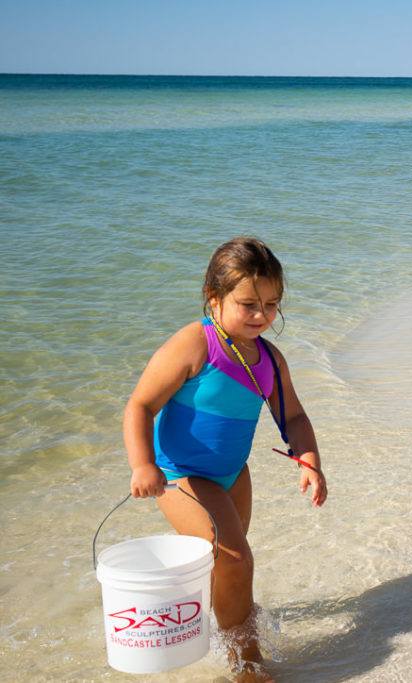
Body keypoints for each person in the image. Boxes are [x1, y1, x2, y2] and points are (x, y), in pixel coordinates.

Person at [123, 237, 327, 681]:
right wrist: (143, 465)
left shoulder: (270, 359)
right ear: (214, 298)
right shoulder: (196, 343)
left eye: (272, 305)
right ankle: (246, 666)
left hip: (234, 475)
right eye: (248, 304)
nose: (262, 316)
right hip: (180, 474)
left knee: (228, 567)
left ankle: (213, 632)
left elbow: (291, 414)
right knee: (235, 559)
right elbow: (139, 406)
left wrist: (309, 459)